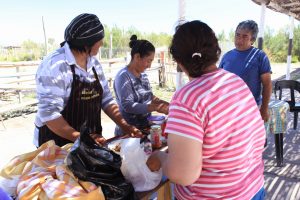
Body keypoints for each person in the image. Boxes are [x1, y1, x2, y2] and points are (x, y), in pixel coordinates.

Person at [149, 20, 266, 199]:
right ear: (215, 52)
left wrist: (160, 157)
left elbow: (183, 174)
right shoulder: (236, 82)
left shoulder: (187, 98)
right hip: (253, 189)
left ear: (179, 61)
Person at [34, 13, 141, 147]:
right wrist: (81, 138)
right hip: (57, 143)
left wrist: (125, 125)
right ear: (87, 43)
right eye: (99, 40)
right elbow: (49, 114)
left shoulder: (94, 64)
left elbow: (106, 99)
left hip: (88, 138)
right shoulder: (55, 65)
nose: (102, 43)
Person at [113, 35, 169, 135]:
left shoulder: (143, 75)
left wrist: (167, 105)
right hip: (129, 132)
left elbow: (149, 96)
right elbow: (128, 105)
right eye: (148, 61)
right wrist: (154, 107)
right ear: (137, 57)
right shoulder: (123, 76)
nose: (150, 65)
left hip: (144, 128)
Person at [219, 20, 272, 123]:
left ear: (252, 40)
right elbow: (219, 83)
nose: (239, 40)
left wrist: (264, 108)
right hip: (228, 109)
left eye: (245, 36)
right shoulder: (226, 56)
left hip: (250, 110)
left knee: (253, 138)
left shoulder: (260, 56)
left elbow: (267, 84)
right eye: (237, 35)